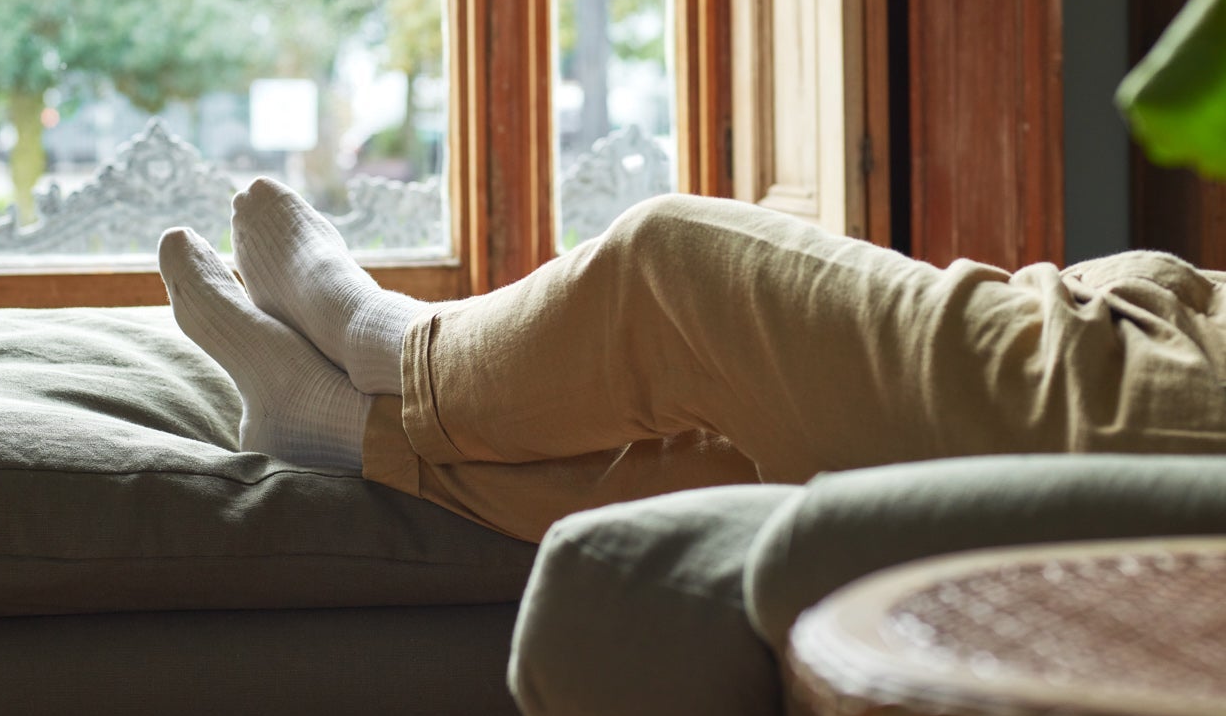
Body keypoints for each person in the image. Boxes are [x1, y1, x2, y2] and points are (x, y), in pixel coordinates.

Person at [158, 181, 1226, 544]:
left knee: (672, 266)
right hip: (1174, 331)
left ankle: (385, 347)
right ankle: (348, 425)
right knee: (733, 464)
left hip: (1180, 403)